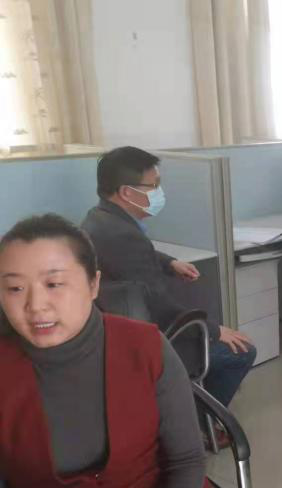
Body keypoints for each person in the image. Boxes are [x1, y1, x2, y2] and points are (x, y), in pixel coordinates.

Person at [0, 214, 248, 488]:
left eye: (54, 284)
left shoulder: (145, 347)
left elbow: (185, 462)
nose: (35, 305)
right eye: (15, 288)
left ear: (93, 284)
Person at [81, 147, 256, 447]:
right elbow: (158, 305)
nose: (159, 192)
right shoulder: (123, 234)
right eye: (153, 186)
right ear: (127, 192)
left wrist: (169, 262)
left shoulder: (100, 220)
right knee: (241, 350)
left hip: (116, 332)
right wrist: (213, 330)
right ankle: (200, 427)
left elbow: (136, 253)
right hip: (147, 340)